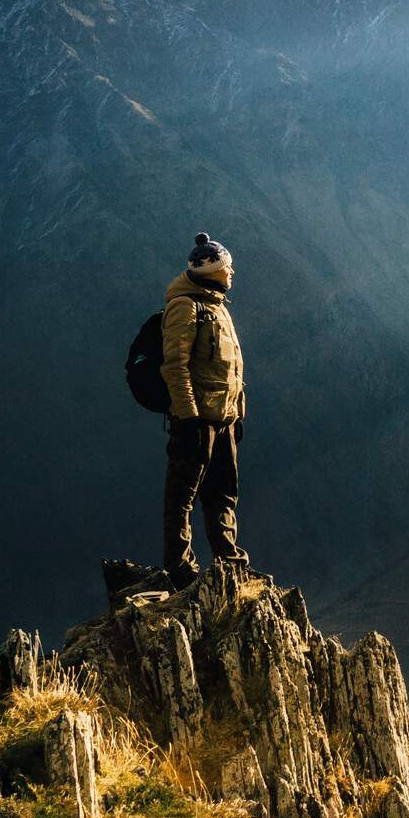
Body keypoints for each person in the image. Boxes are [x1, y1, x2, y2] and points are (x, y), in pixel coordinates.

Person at [160, 232, 248, 586]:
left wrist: (237, 411)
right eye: (228, 267)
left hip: (223, 419)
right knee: (183, 496)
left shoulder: (217, 306)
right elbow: (175, 365)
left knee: (223, 493)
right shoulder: (185, 307)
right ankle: (179, 568)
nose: (232, 273)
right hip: (195, 421)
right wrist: (190, 415)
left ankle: (231, 563)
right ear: (212, 270)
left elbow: (233, 368)